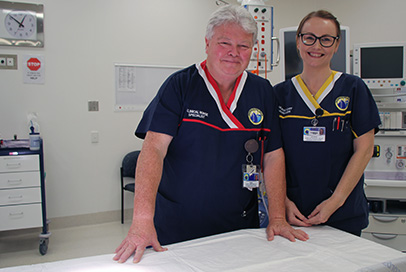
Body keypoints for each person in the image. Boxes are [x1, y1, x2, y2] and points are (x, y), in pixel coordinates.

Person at [114, 5, 308, 264]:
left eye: (243, 46)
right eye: (224, 42)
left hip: (239, 224)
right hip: (178, 223)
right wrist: (140, 222)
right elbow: (153, 150)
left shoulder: (262, 92)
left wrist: (277, 218)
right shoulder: (180, 86)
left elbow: (273, 156)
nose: (233, 53)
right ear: (207, 43)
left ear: (253, 49)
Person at [274, 10, 381, 236]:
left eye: (326, 39)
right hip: (293, 214)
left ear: (336, 45)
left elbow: (364, 150)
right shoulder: (279, 95)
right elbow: (271, 154)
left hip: (343, 212)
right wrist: (281, 201)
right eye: (309, 38)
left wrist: (336, 201)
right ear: (299, 41)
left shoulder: (354, 89)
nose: (317, 46)